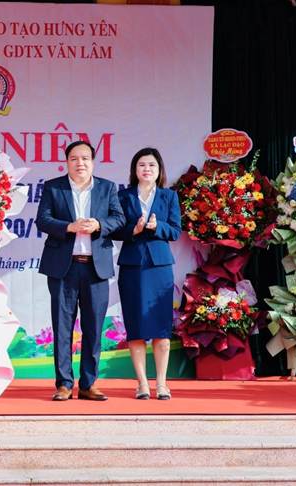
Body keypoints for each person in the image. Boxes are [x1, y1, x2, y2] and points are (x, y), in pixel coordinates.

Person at [36, 141, 125, 401]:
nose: (80, 163)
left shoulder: (107, 187)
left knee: (94, 327)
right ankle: (64, 384)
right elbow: (43, 220)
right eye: (74, 158)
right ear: (67, 162)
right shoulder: (54, 187)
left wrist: (99, 225)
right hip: (63, 268)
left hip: (96, 268)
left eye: (85, 158)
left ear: (93, 162)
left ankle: (88, 384)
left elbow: (119, 219)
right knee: (62, 327)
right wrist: (69, 227)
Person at [114, 148, 181, 400]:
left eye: (151, 165)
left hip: (159, 268)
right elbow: (114, 230)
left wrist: (156, 226)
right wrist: (134, 229)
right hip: (132, 267)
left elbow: (175, 231)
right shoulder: (123, 196)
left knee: (161, 330)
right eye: (141, 165)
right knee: (136, 327)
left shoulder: (169, 196)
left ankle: (162, 383)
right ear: (135, 169)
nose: (147, 169)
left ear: (159, 169)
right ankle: (142, 383)